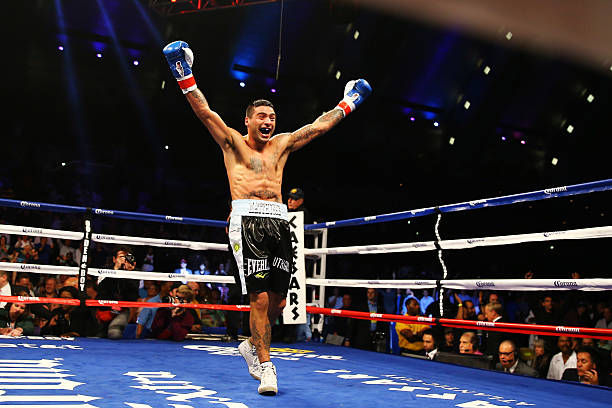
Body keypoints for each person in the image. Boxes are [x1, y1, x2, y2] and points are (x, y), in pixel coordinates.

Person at [163, 39, 371, 396]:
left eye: (271, 117)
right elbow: (204, 112)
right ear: (247, 120)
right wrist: (182, 72)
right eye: (261, 116)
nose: (268, 121)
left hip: (279, 221)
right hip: (247, 221)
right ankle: (267, 366)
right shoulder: (232, 142)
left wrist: (349, 102)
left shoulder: (282, 144)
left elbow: (318, 127)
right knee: (258, 298)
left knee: (278, 299)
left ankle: (251, 344)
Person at [95, 247, 139, 339]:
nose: (124, 260)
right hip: (104, 309)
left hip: (121, 311)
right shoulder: (105, 270)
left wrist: (128, 275)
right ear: (114, 259)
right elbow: (101, 290)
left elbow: (132, 296)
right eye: (121, 257)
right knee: (97, 336)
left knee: (114, 334)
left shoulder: (133, 273)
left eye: (126, 257)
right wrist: (115, 271)